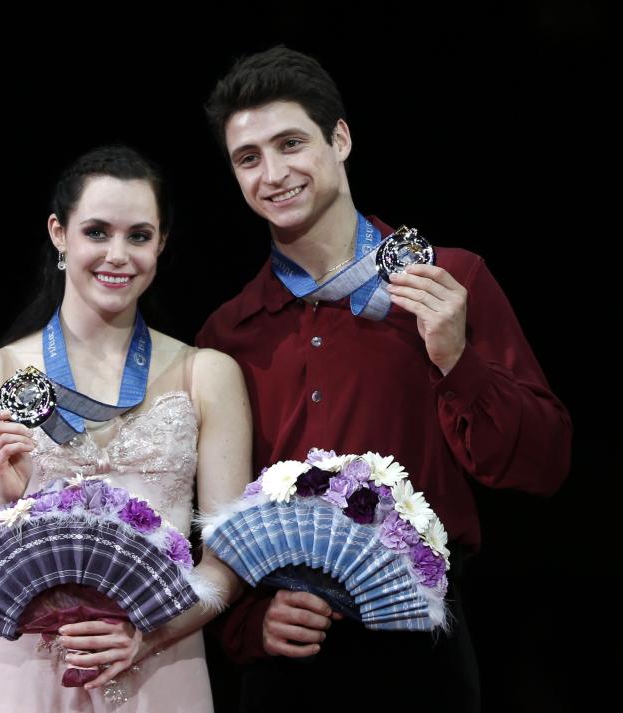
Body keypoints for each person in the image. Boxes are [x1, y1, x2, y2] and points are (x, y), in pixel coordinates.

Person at [195, 47, 572, 712]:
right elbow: (213, 520)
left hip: (421, 655)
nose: (272, 173)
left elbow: (542, 463)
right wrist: (250, 623)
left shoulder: (448, 281)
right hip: (287, 660)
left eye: (291, 143)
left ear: (340, 138)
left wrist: (459, 358)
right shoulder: (228, 335)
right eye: (248, 158)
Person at [0, 145, 251, 712]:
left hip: (164, 666)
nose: (117, 255)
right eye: (97, 232)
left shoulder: (208, 375)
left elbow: (226, 562)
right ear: (59, 234)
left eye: (139, 236)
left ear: (162, 244)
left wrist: (146, 636)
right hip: (26, 673)